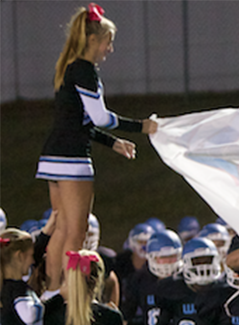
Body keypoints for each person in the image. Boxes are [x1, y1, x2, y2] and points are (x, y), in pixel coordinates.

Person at [36, 4, 157, 290]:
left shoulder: (69, 67)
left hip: (52, 157)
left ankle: (52, 293)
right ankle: (69, 298)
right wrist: (142, 126)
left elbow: (79, 122)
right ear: (92, 40)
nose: (110, 49)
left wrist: (112, 142)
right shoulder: (85, 70)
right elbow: (101, 117)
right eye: (108, 41)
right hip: (72, 160)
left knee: (61, 230)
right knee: (76, 234)